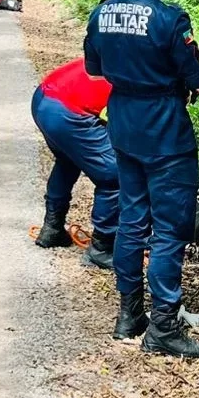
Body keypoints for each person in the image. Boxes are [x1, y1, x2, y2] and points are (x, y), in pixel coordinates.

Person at [84, 0, 199, 358]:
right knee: (170, 230)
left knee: (132, 220)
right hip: (166, 136)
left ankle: (128, 314)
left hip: (123, 127)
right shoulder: (170, 18)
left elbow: (94, 69)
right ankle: (162, 327)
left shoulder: (102, 12)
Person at [31, 57, 118, 270]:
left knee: (68, 159)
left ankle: (52, 228)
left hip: (44, 97)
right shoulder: (154, 75)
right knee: (114, 175)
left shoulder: (129, 49)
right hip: (66, 111)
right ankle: (101, 248)